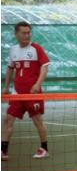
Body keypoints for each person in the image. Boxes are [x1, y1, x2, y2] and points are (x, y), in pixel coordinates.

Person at [2, 21, 52, 161]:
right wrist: (6, 87)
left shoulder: (36, 48)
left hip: (32, 93)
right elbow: (10, 68)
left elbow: (45, 67)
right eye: (24, 33)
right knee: (8, 119)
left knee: (37, 120)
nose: (27, 35)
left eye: (29, 32)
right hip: (17, 93)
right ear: (16, 34)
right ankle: (3, 151)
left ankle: (44, 149)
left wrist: (37, 84)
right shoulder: (13, 50)